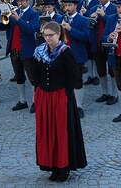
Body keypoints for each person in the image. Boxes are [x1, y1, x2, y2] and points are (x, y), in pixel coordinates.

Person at [33, 21, 87, 182]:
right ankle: (52, 166)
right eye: (46, 35)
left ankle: (64, 167)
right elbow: (35, 74)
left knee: (61, 132)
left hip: (60, 96)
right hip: (44, 96)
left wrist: (67, 93)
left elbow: (75, 76)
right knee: (47, 130)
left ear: (59, 35)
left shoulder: (65, 52)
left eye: (51, 35)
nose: (48, 38)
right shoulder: (39, 51)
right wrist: (39, 90)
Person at [1, 0, 39, 112]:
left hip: (27, 50)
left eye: (22, 0)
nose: (20, 3)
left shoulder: (33, 13)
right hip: (14, 49)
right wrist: (3, 16)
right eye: (18, 1)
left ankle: (35, 101)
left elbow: (31, 29)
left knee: (32, 77)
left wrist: (18, 19)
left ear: (28, 1)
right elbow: (2, 26)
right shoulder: (14, 12)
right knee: (19, 77)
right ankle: (22, 101)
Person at [86, 0, 118, 105]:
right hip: (97, 42)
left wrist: (104, 16)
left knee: (112, 69)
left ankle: (114, 94)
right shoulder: (94, 8)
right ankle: (105, 92)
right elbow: (88, 24)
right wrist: (92, 17)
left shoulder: (114, 8)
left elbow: (115, 23)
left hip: (109, 42)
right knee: (101, 70)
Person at [61, 0, 90, 118]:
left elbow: (86, 37)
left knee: (77, 81)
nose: (67, 7)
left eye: (69, 5)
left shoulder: (83, 20)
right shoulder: (61, 19)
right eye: (65, 5)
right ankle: (66, 104)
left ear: (75, 6)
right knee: (65, 81)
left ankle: (79, 106)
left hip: (77, 54)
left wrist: (70, 29)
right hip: (63, 54)